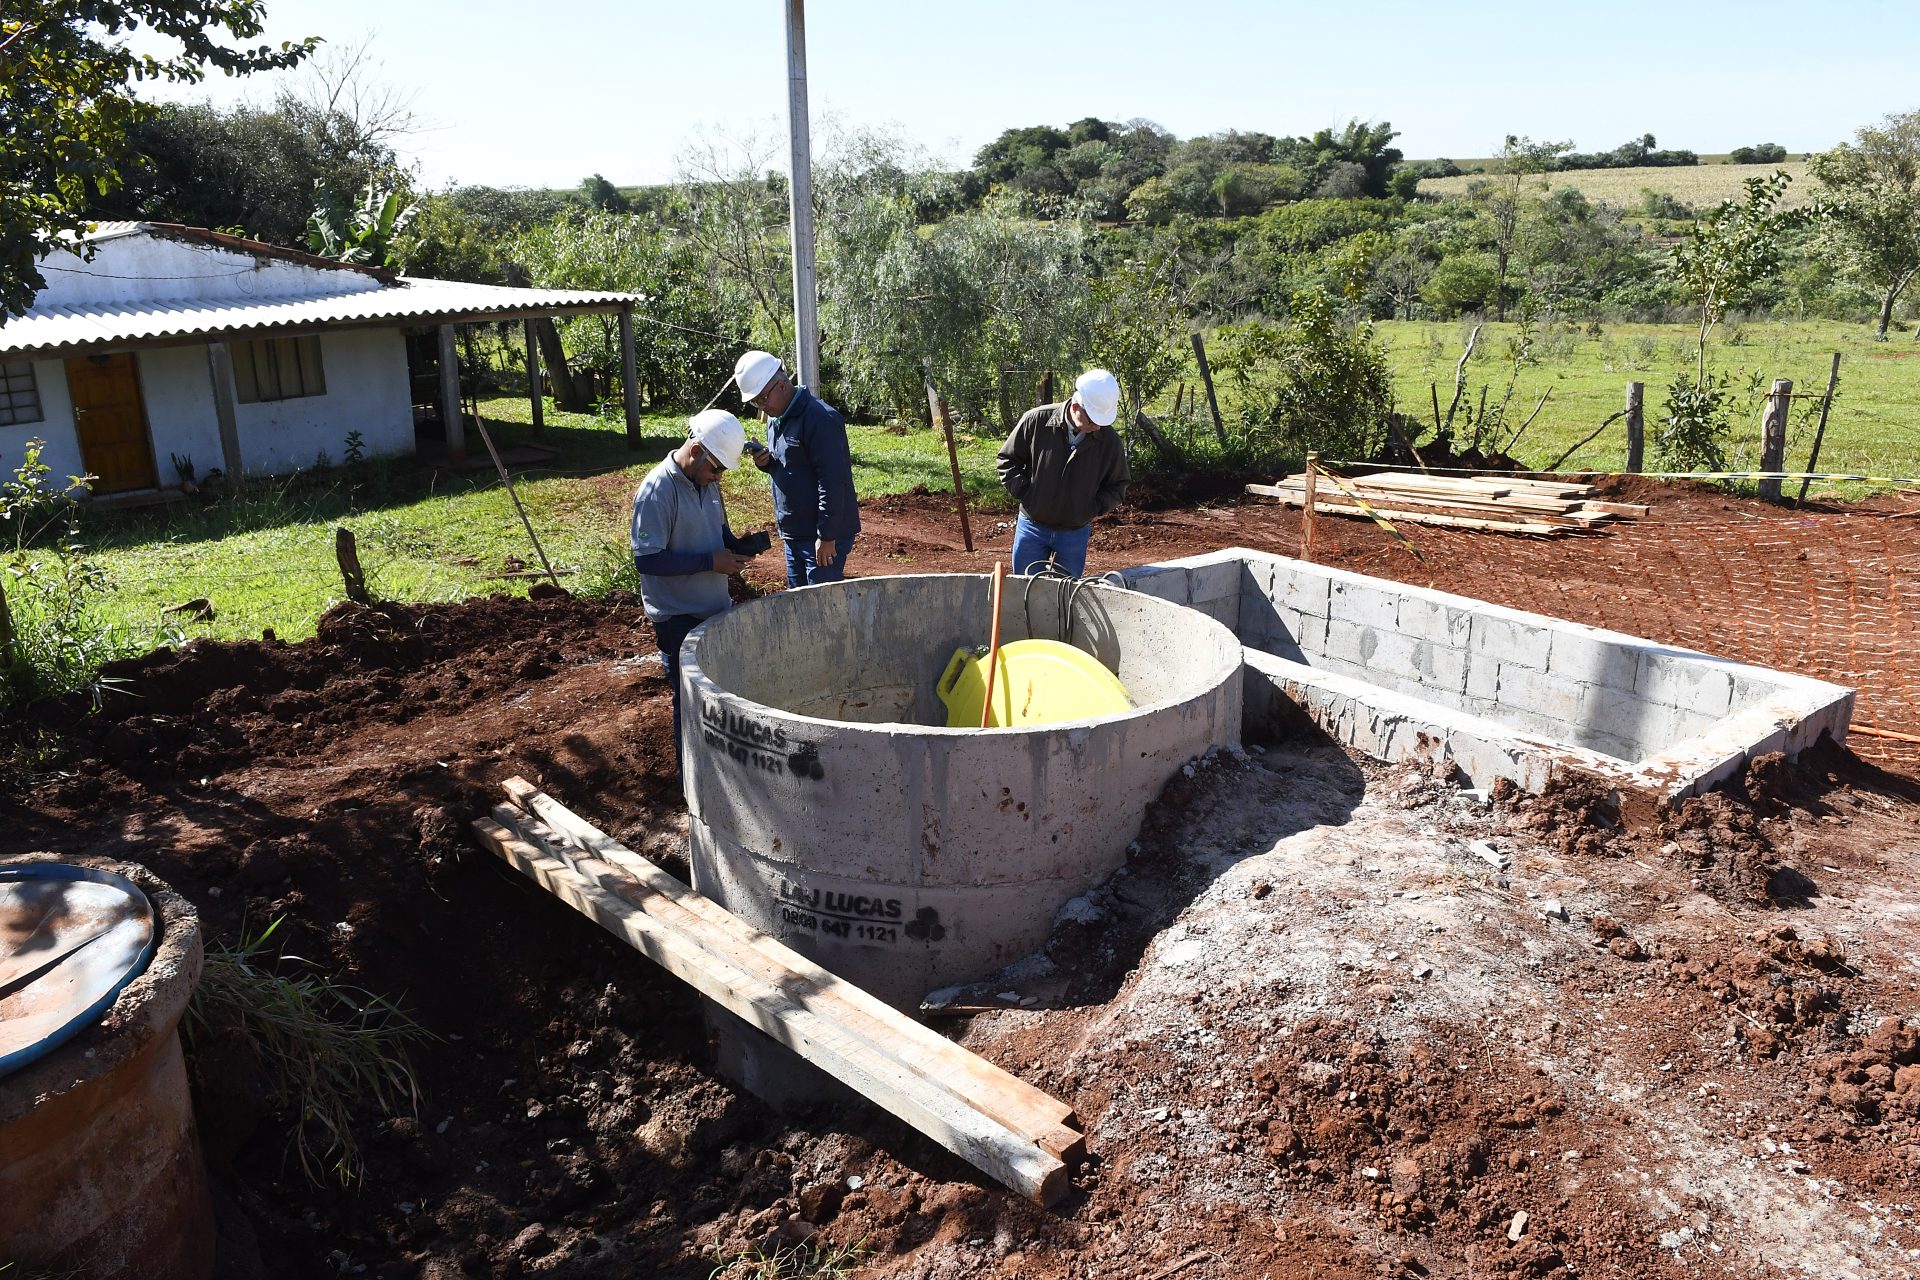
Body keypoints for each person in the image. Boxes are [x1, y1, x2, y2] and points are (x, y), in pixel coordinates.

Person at [630, 408, 761, 763]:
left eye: (722, 471)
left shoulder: (707, 483)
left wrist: (736, 547)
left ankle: (715, 772)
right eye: (715, 467)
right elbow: (647, 560)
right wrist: (709, 562)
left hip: (713, 608)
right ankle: (688, 780)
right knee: (688, 702)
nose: (718, 477)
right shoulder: (657, 490)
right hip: (677, 617)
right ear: (696, 449)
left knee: (717, 699)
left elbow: (718, 534)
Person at [732, 349, 860, 588]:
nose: (761, 406)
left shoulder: (820, 419)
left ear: (781, 385)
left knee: (819, 608)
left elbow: (833, 481)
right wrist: (767, 463)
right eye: (755, 401)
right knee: (798, 604)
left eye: (763, 398)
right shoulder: (775, 418)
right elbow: (791, 465)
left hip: (821, 537)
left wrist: (828, 535)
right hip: (795, 533)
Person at [996, 368, 1131, 577]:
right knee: (1024, 592)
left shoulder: (1109, 441)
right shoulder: (1036, 421)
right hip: (1032, 527)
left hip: (1074, 533)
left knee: (1064, 598)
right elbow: (1007, 460)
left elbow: (1119, 485)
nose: (1097, 427)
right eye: (1092, 421)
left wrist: (1090, 509)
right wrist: (1028, 494)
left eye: (1101, 422)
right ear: (1076, 406)